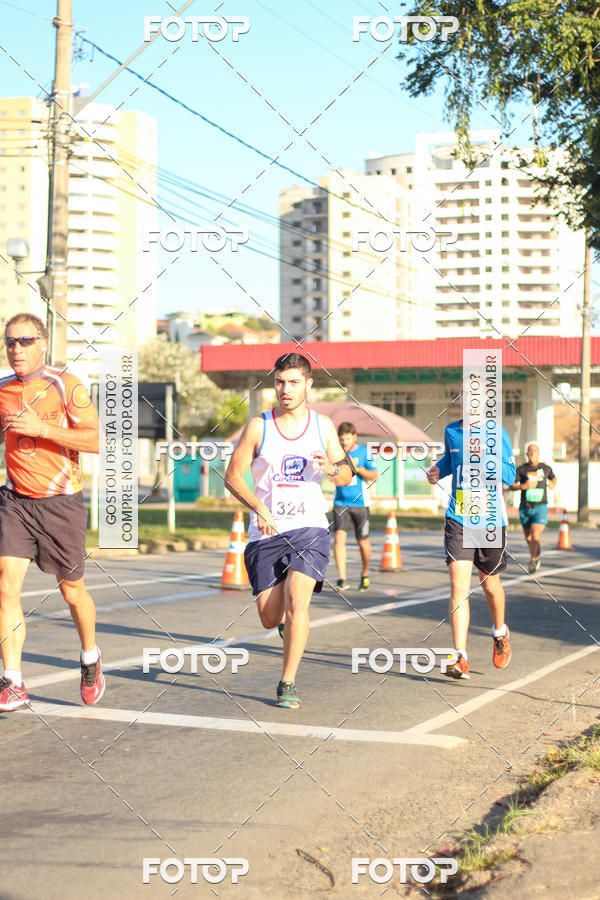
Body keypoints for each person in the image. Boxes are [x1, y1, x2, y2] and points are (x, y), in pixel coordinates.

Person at [225, 353, 353, 709]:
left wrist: (332, 468)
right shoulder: (258, 426)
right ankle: (283, 623)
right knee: (269, 617)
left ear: (309, 385)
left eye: (294, 382)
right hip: (266, 531)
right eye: (280, 382)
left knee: (299, 601)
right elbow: (232, 478)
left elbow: (347, 474)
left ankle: (287, 681)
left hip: (310, 527)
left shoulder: (323, 426)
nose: (286, 389)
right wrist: (259, 507)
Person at [0, 313, 104, 712]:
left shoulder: (65, 385)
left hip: (61, 503)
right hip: (15, 502)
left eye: (25, 341)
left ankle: (90, 657)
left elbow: (96, 440)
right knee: (7, 587)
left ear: (43, 344)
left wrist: (42, 430)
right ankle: (14, 682)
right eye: (10, 341)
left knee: (71, 590)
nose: (16, 349)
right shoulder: (3, 389)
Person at [426, 386, 516, 680]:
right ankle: (459, 656)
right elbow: (451, 462)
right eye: (467, 397)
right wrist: (438, 470)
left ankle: (500, 632)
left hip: (489, 517)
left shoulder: (496, 432)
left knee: (490, 586)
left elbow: (510, 475)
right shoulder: (452, 432)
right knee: (458, 587)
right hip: (459, 515)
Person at [333, 422, 378, 591]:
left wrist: (356, 467)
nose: (344, 442)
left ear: (354, 437)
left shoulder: (364, 452)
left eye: (347, 439)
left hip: (360, 503)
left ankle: (365, 574)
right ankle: (342, 579)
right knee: (338, 539)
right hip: (340, 502)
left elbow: (375, 476)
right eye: (342, 439)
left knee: (363, 542)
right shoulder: (336, 453)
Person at [511, 441, 557, 574]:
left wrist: (553, 484)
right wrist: (522, 486)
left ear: (538, 453)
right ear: (526, 454)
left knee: (535, 533)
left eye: (535, 451)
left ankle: (532, 561)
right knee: (529, 538)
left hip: (540, 507)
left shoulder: (545, 468)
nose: (532, 453)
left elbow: (553, 478)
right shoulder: (522, 469)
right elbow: (512, 485)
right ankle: (536, 553)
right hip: (525, 507)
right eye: (530, 451)